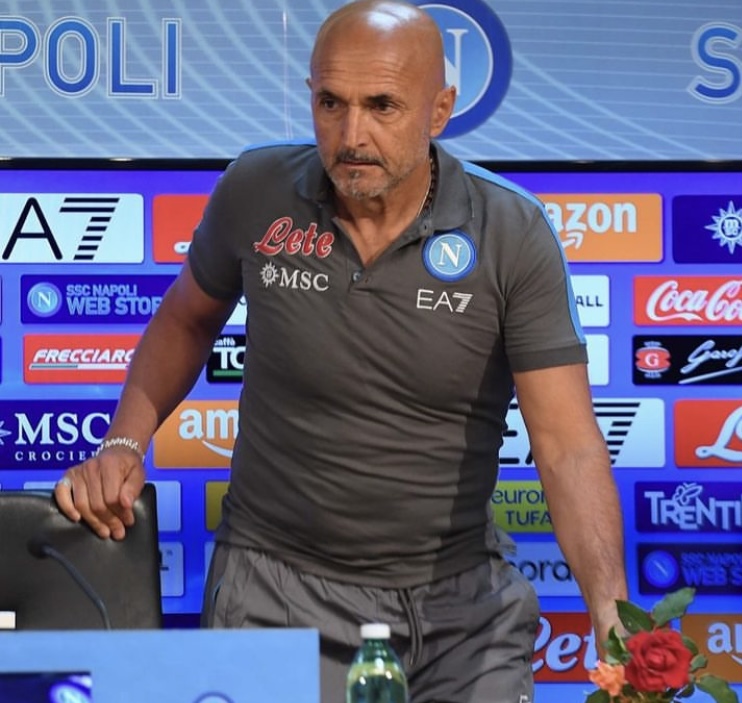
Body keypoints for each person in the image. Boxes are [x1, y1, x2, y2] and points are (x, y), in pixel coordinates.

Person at [55, 1, 627, 701]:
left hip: (461, 608)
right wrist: (123, 442)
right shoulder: (255, 190)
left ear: (440, 111)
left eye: (382, 106)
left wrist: (611, 613)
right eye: (331, 103)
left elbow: (568, 446)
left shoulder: (511, 231)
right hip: (274, 593)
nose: (351, 136)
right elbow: (185, 319)